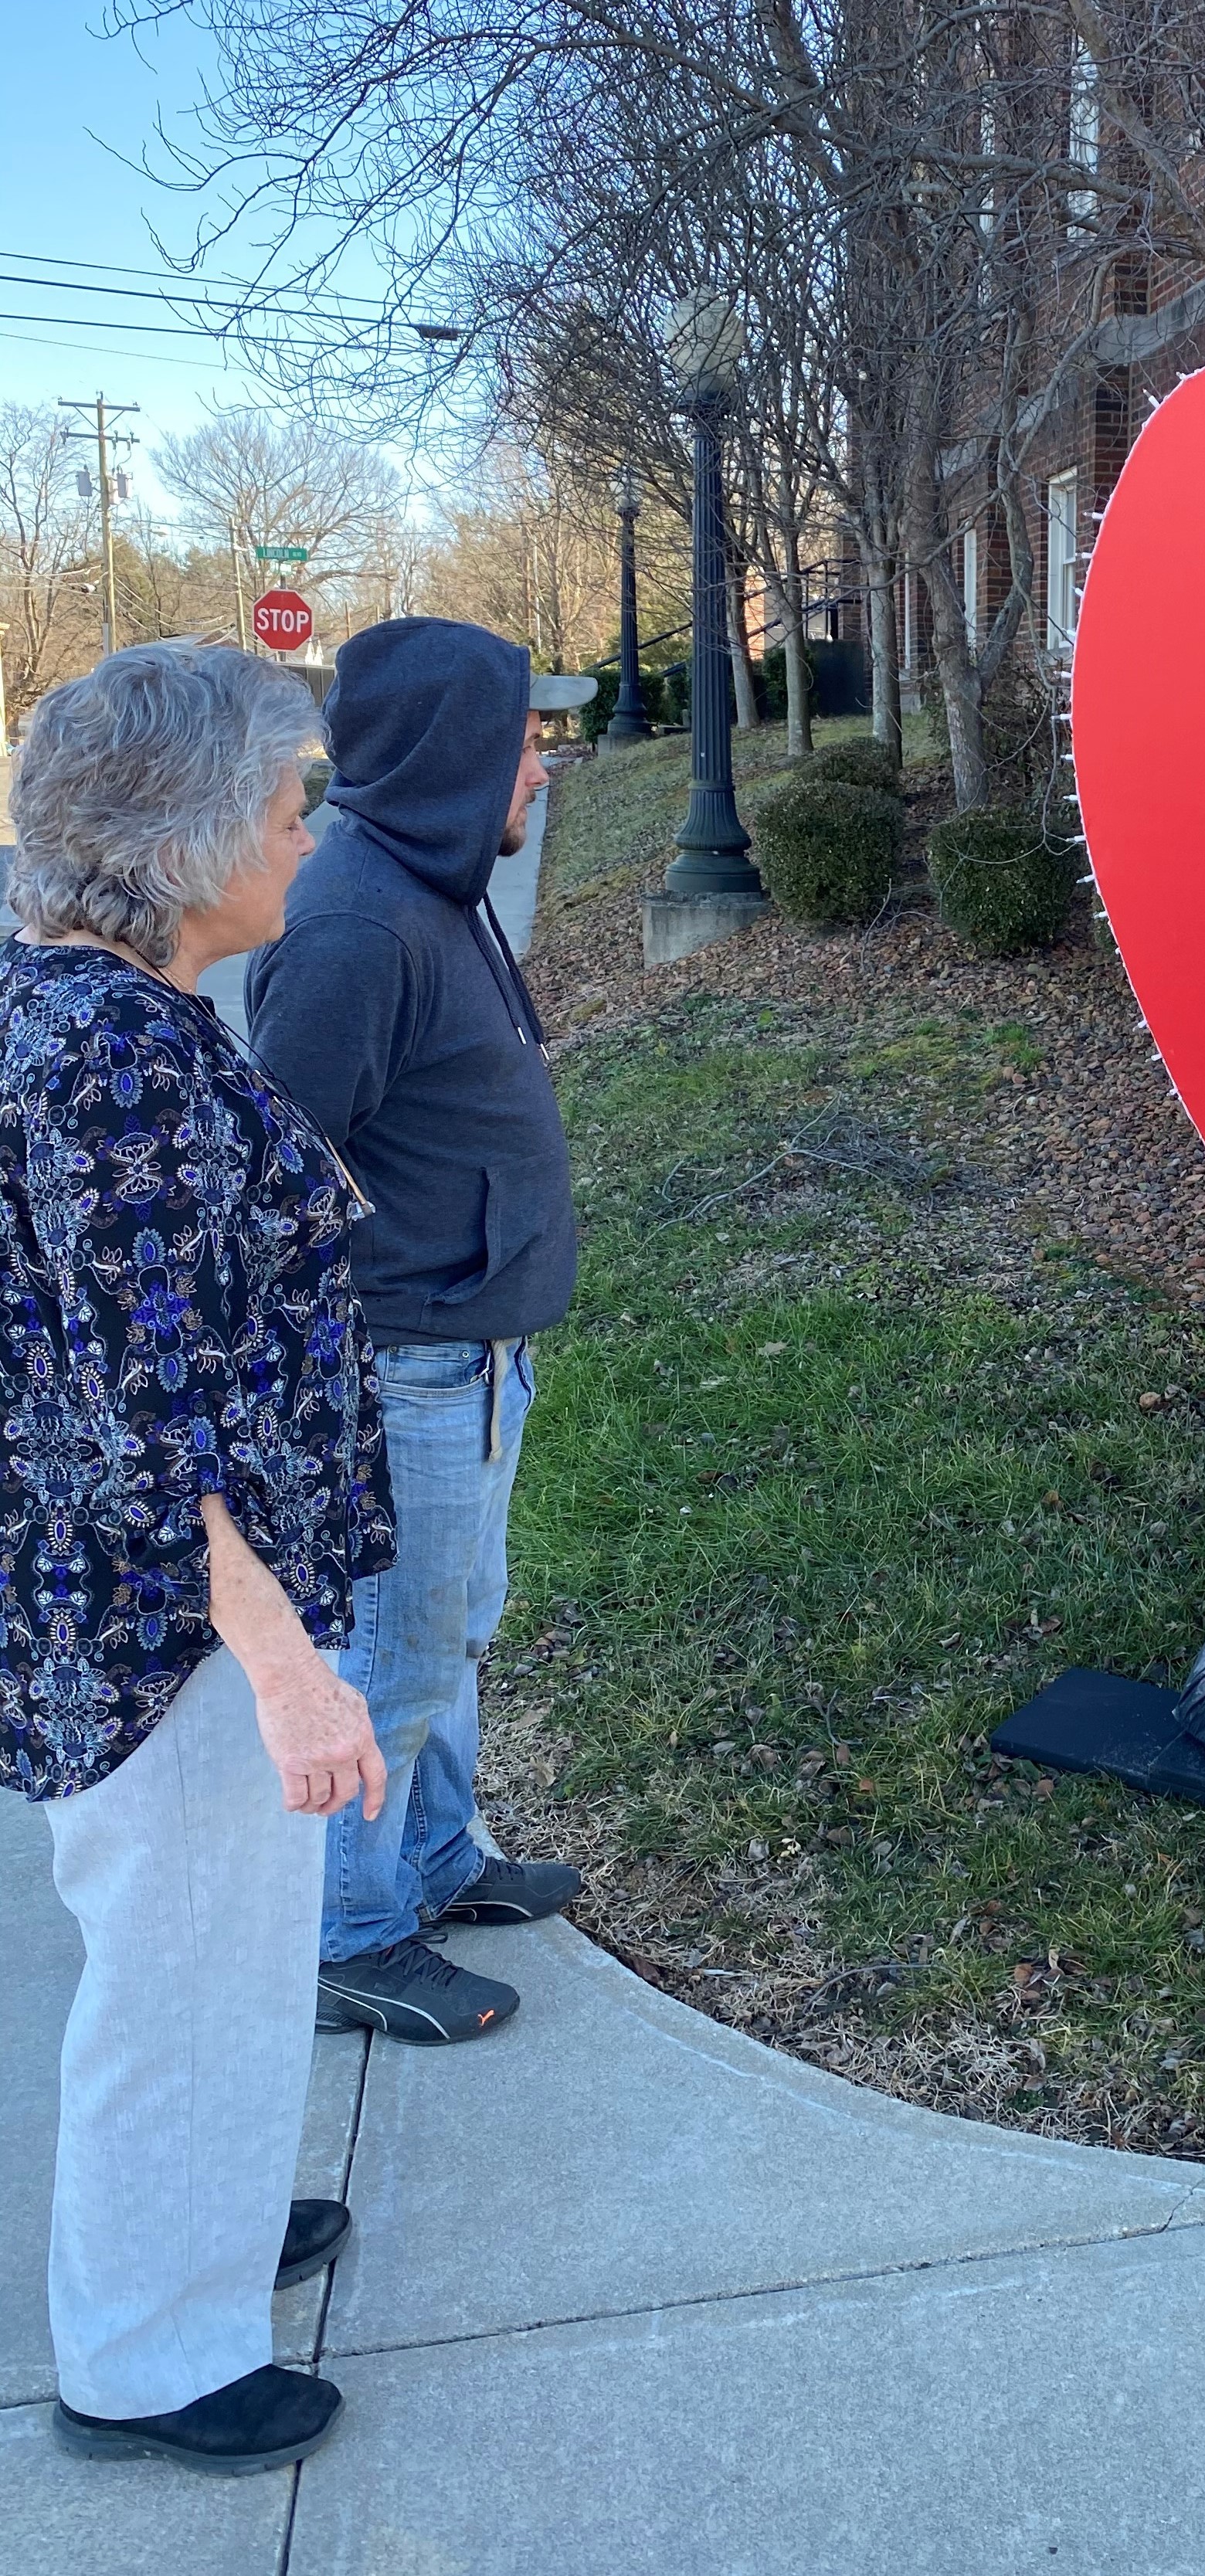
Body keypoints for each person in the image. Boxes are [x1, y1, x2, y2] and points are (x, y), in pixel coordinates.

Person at [5, 640, 393, 2472]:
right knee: (180, 1972)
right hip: (166, 1627)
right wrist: (286, 1657)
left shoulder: (85, 1016)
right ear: (185, 836)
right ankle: (151, 2354)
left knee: (217, 1958)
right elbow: (148, 1395)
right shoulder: (115, 1059)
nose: (307, 840)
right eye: (286, 804)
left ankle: (200, 2226)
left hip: (135, 1603)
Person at [246, 619, 594, 2046]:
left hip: (477, 1350)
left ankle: (441, 1857)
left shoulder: (438, 888)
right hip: (407, 1364)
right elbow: (276, 1177)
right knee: (394, 1658)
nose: (542, 763)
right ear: (458, 750)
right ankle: (350, 1931)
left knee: (457, 1629)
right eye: (524, 738)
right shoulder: (352, 923)